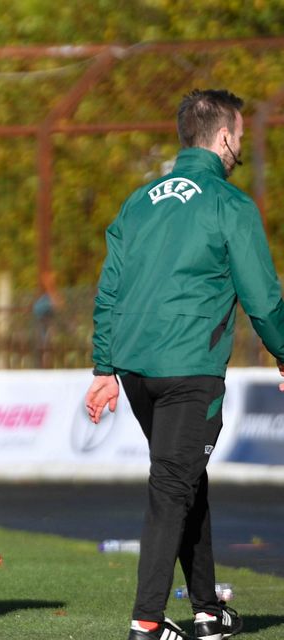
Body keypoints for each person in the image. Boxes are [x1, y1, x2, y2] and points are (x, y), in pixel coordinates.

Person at [85, 89, 284, 640]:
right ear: (224, 138)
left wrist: (104, 368)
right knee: (173, 486)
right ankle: (146, 623)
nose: (239, 143)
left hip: (136, 370)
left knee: (184, 480)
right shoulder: (230, 204)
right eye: (239, 135)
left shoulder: (138, 201)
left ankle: (206, 611)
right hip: (190, 370)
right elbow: (263, 298)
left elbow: (109, 289)